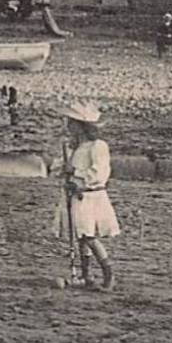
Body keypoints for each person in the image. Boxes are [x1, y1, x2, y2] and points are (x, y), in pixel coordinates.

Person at [54, 101, 119, 291]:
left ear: (82, 125)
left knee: (89, 236)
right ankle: (86, 275)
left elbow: (100, 173)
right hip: (76, 194)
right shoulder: (74, 147)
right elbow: (60, 168)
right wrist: (63, 170)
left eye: (72, 122)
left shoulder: (98, 146)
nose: (68, 126)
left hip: (90, 197)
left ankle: (109, 276)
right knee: (80, 235)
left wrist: (75, 172)